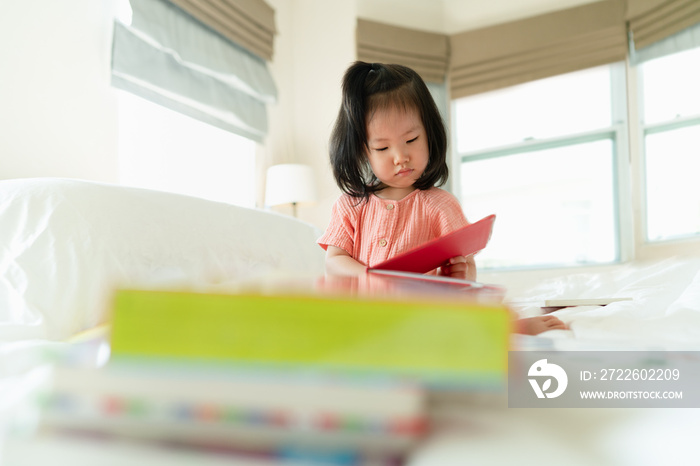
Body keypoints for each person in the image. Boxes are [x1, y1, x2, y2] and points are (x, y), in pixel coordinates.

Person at [317, 61, 566, 335]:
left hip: (422, 315)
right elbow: (334, 260)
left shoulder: (440, 205)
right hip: (363, 316)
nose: (401, 157)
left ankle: (511, 326)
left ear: (430, 134)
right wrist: (367, 276)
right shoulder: (350, 205)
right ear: (364, 152)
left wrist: (459, 276)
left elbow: (465, 267)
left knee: (467, 316)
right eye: (382, 147)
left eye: (411, 140)